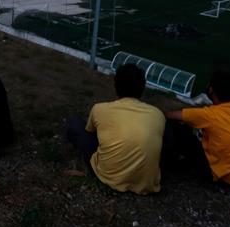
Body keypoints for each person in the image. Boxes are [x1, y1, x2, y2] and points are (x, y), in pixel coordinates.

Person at [66, 63, 165, 195]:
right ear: (142, 88)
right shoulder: (157, 114)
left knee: (75, 123)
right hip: (147, 184)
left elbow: (90, 132)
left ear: (116, 86)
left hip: (107, 177)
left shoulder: (99, 109)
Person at [163, 70, 230, 186]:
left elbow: (169, 115)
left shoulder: (210, 115)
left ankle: (169, 161)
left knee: (178, 128)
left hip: (222, 179)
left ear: (211, 90)